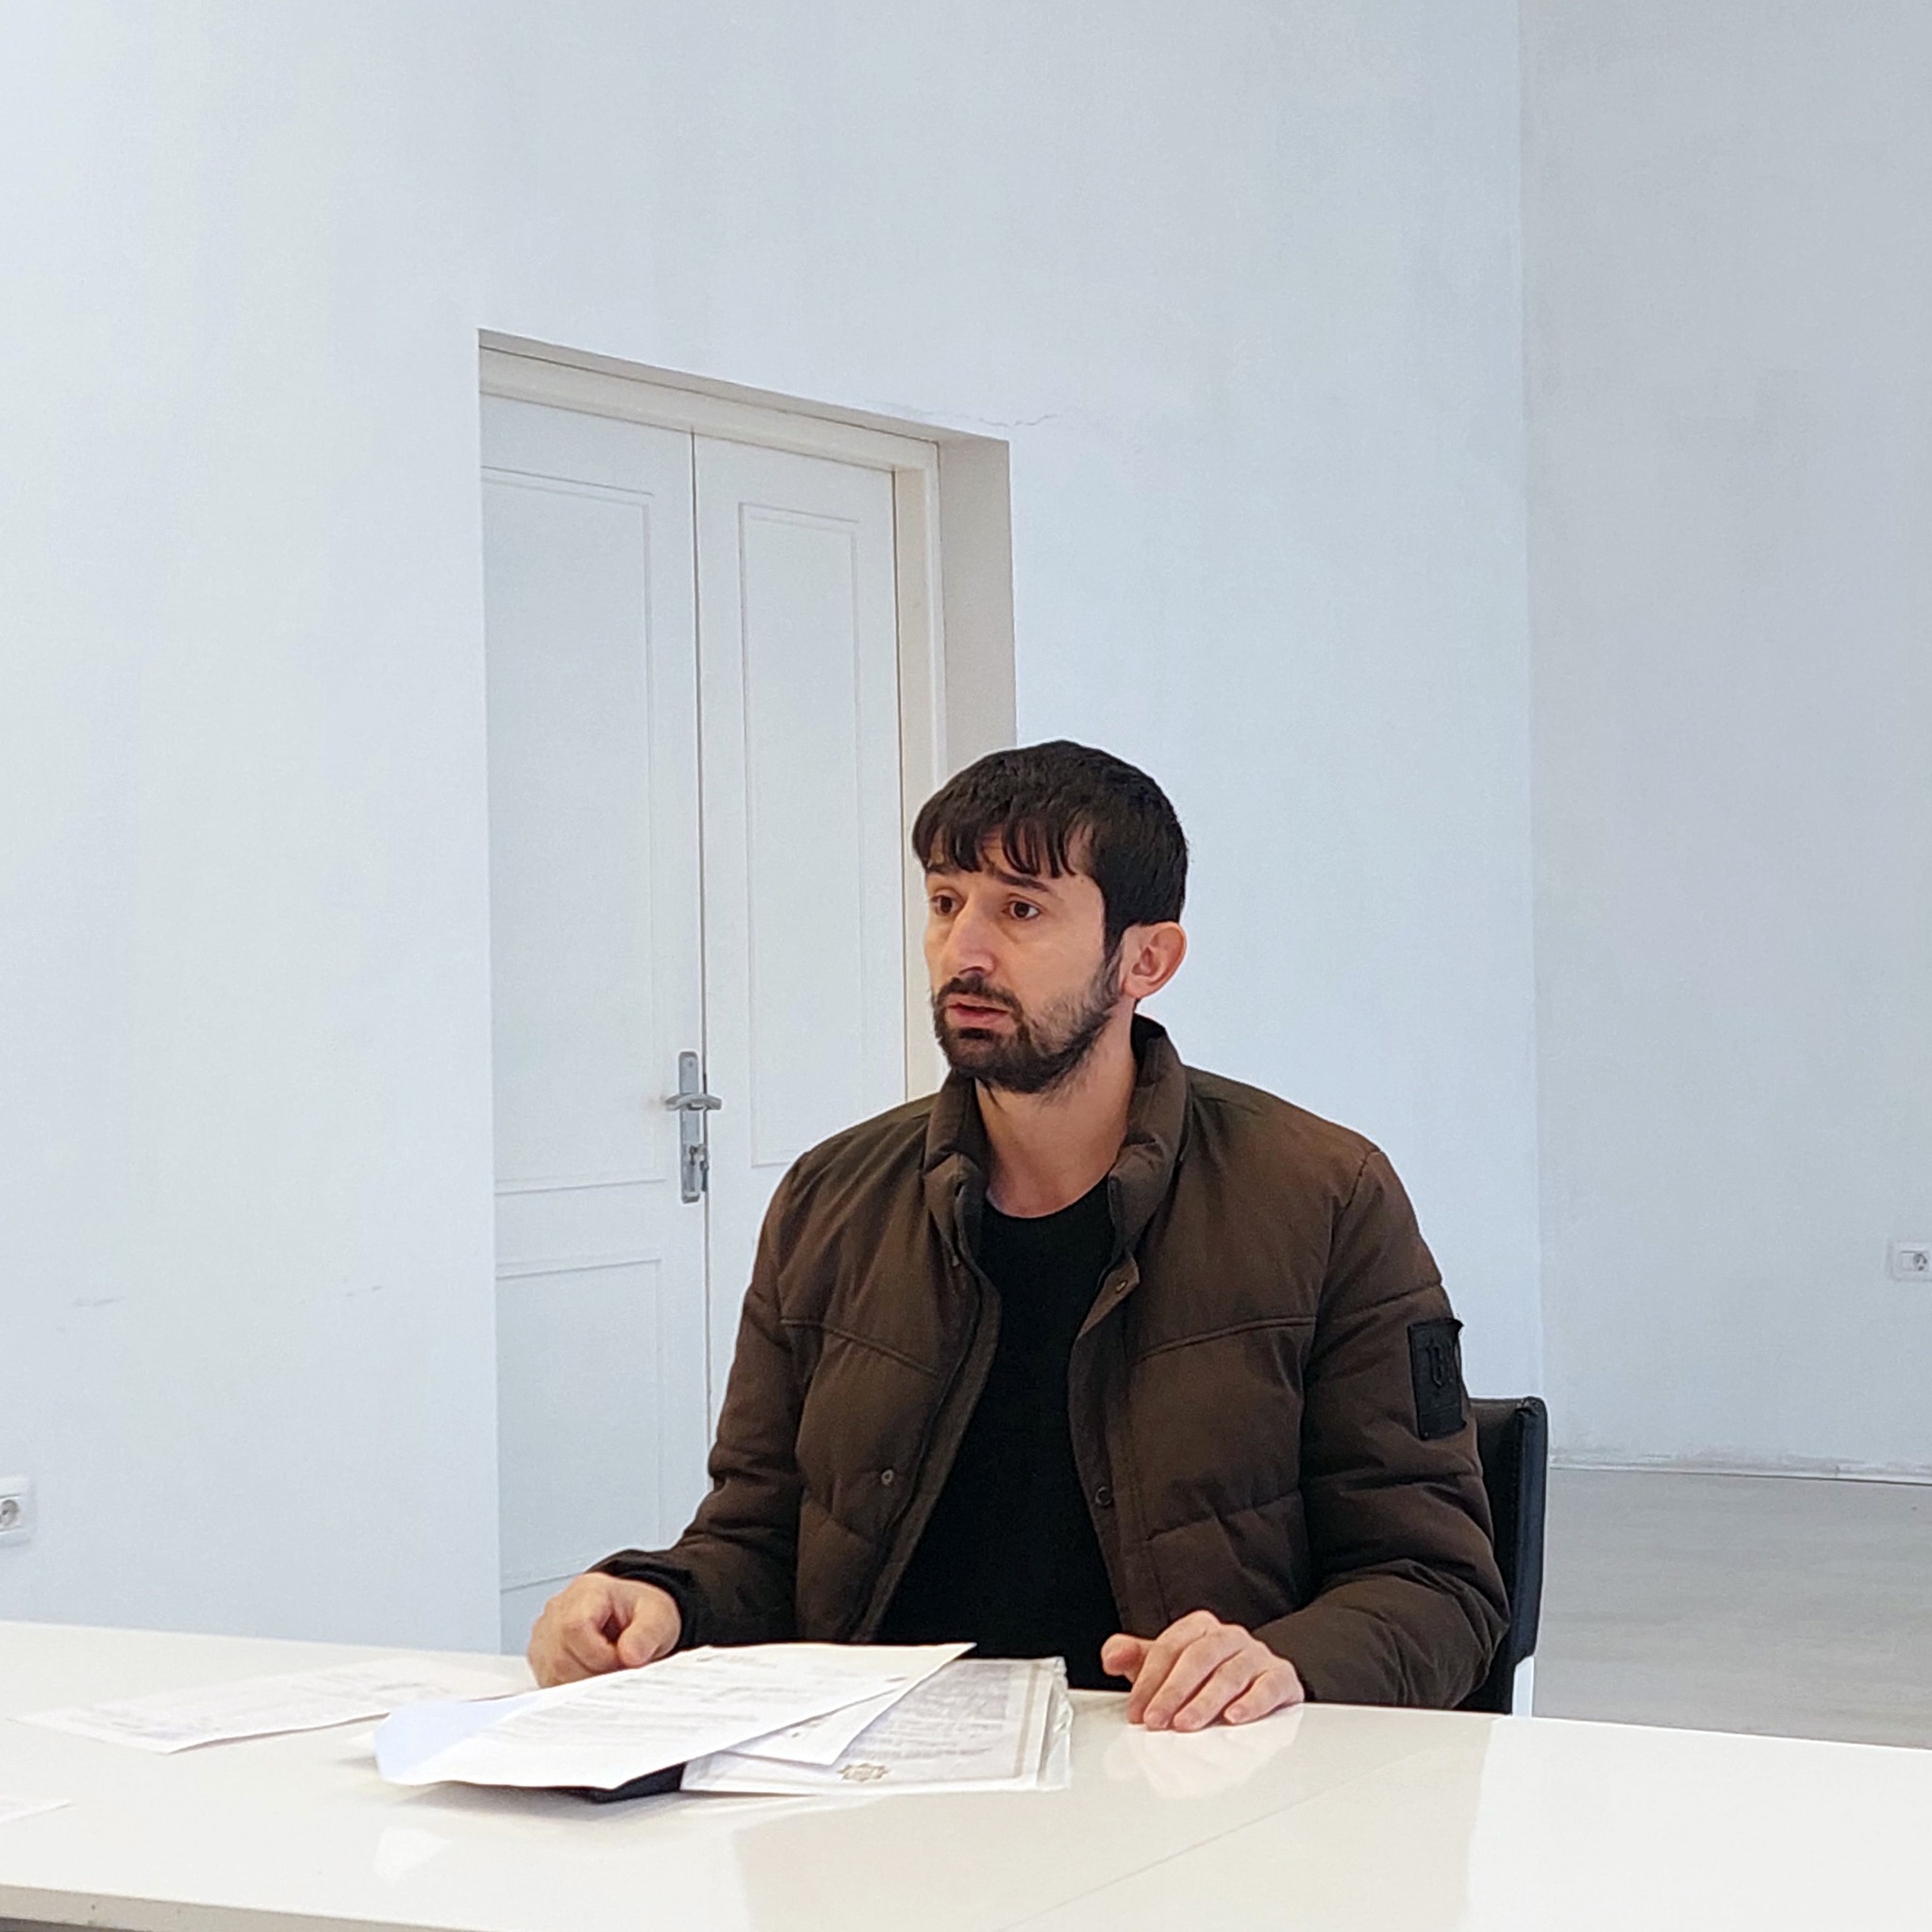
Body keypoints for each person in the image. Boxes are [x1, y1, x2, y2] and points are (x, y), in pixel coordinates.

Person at [528, 741, 1507, 1729]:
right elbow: (757, 1541)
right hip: (871, 1773)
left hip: (1178, 1770)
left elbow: (1439, 1586)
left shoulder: (1324, 1197)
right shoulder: (829, 1200)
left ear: (1146, 959)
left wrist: (1278, 1662)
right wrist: (660, 1599)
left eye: (1021, 909)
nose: (965, 950)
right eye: (945, 901)